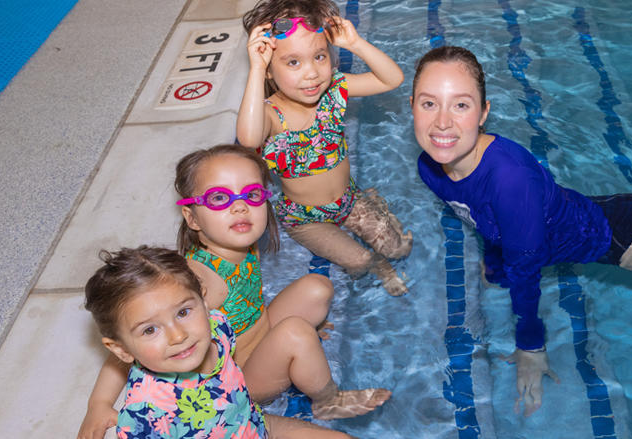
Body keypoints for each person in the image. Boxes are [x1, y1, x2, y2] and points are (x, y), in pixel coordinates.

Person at [410, 46, 632, 418]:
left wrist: (531, 348)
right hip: (595, 214)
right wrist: (495, 259)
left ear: (484, 112)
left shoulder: (511, 180)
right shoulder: (431, 166)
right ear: (412, 106)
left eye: (461, 105)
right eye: (429, 104)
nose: (442, 124)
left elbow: (526, 273)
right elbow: (485, 218)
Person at [77, 145, 390, 439]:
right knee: (296, 332)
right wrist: (99, 403)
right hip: (237, 371)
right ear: (192, 217)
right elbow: (130, 345)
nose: (240, 207)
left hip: (257, 335)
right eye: (218, 199)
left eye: (252, 194)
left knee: (317, 288)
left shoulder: (236, 240)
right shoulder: (199, 279)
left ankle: (293, 345)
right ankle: (327, 399)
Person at [83, 245, 357, 439]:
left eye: (183, 312)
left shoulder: (216, 326)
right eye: (150, 330)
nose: (178, 335)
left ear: (203, 301)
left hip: (254, 424)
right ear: (120, 348)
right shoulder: (147, 414)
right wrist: (100, 403)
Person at [236, 0, 412, 296]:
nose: (311, 73)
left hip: (348, 199)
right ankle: (380, 268)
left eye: (319, 57)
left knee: (397, 248)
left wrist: (355, 43)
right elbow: (250, 139)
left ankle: (370, 204)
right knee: (361, 261)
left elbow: (392, 79)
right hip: (305, 218)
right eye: (293, 62)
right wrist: (255, 68)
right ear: (269, 70)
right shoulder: (270, 115)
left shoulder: (335, 91)